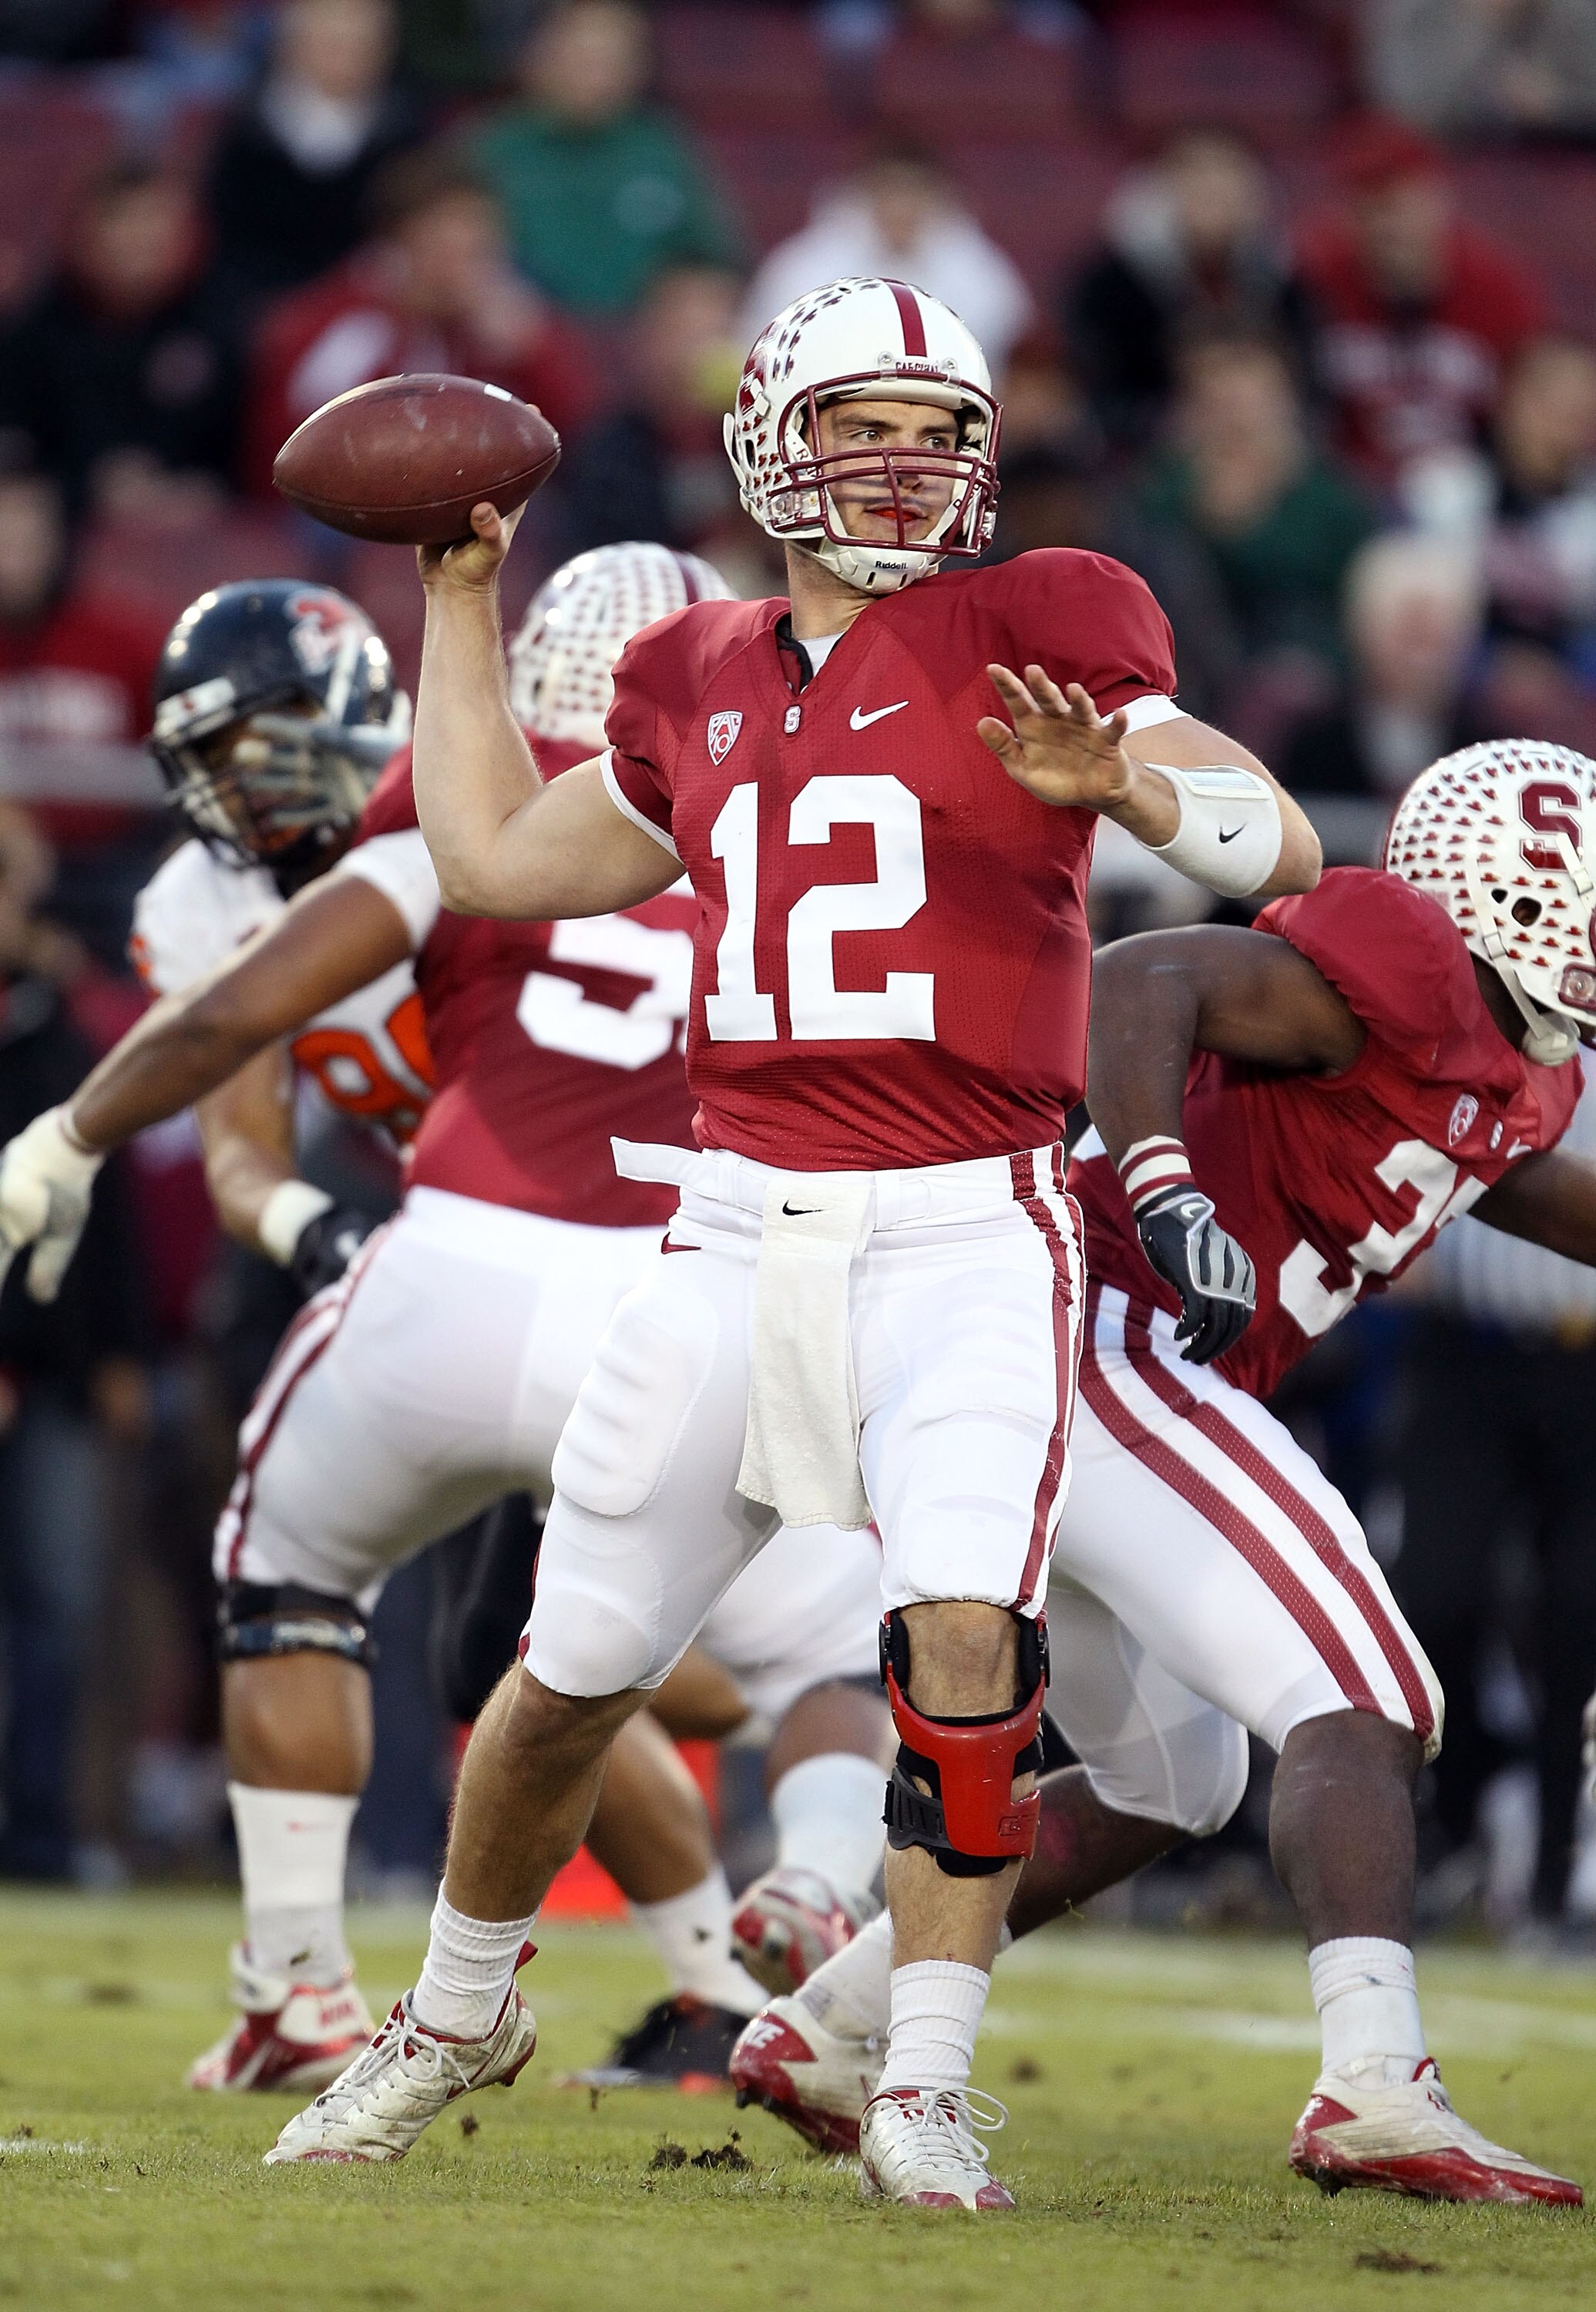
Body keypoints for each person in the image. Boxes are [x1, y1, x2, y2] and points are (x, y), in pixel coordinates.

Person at [239, 275, 1320, 2203]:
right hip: (726, 1219)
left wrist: (1132, 782)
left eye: (936, 427)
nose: (906, 462)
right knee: (562, 1676)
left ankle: (913, 2073)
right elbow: (493, 860)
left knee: (962, 1637)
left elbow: (1275, 848)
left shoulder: (1048, 615)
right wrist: (462, 596)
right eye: (863, 423)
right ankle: (457, 2004)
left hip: (969, 1219)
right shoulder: (688, 671)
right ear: (767, 439)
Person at [0, 545, 892, 2092]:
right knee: (601, 1655)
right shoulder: (230, 889)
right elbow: (242, 1147)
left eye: (277, 741)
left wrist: (81, 1143)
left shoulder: (464, 808)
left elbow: (232, 1043)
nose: (254, 785)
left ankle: (404, 1982)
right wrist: (317, 1225)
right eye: (220, 753)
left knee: (470, 1639)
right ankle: (743, 1936)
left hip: (478, 1252)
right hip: (581, 1254)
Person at [732, 734, 1595, 2206]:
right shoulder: (1399, 950)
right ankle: (1375, 2083)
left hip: (1105, 1364)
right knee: (1366, 1693)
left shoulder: (1519, 1071)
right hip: (1109, 1339)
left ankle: (829, 2026)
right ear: (1508, 888)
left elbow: (1492, 1168)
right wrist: (1160, 1177)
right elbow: (1141, 980)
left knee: (1176, 1775)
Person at [244, 148, 596, 499]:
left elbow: (583, 443)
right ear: (400, 240)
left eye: (481, 242)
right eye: (447, 237)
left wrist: (533, 351)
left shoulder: (505, 322)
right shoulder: (342, 321)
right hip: (340, 521)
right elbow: (286, 455)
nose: (466, 261)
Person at [1297, 116, 1548, 489]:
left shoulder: (1500, 290)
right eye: (1369, 205)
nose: (1388, 223)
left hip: (1470, 491)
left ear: (1439, 199)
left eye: (1400, 202)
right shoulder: (1315, 277)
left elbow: (1535, 405)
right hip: (1347, 488)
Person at [0, 161, 246, 518]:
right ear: (84, 233)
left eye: (155, 223)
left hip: (197, 530)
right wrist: (87, 486)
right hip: (64, 524)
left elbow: (251, 461)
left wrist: (202, 489)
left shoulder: (221, 327)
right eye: (124, 222)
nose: (141, 241)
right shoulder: (32, 335)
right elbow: (16, 453)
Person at [469, 0, 743, 321]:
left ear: (639, 68)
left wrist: (690, 297)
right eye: (582, 58)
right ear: (539, 57)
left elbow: (717, 258)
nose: (595, 75)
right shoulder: (491, 151)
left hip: (641, 340)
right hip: (526, 336)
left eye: (611, 59)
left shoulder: (663, 150)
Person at [1134, 329, 1376, 678]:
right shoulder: (1163, 495)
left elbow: (1353, 603)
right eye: (1216, 395)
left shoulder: (1331, 495)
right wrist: (1208, 516)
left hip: (1314, 671)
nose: (1235, 413)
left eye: (1249, 393)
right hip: (1194, 669)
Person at [1065, 127, 1312, 454]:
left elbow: (1310, 392)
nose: (1212, 191)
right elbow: (1097, 397)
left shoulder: (1284, 287)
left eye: (1226, 179)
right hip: (1147, 455)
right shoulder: (1108, 289)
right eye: (1196, 177)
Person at [744, 139, 1033, 382]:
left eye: (912, 192)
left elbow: (1015, 362)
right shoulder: (807, 263)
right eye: (890, 191)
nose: (900, 207)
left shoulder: (978, 271)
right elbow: (765, 355)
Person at [205, 0, 424, 307]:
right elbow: (226, 241)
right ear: (292, 47)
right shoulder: (245, 129)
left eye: (360, 46)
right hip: (258, 302)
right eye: (331, 44)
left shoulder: (407, 133)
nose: (346, 58)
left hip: (368, 304)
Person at [1277, 532, 1487, 801]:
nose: (1420, 655)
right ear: (1362, 630)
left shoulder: (1485, 753)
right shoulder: (1312, 748)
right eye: (1408, 635)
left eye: (1434, 635)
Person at [1366, 0, 1596, 144]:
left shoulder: (1573, 12)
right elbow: (1399, 113)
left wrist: (1558, 106)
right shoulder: (1412, 10)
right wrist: (1477, 23)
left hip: (1557, 164)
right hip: (1453, 162)